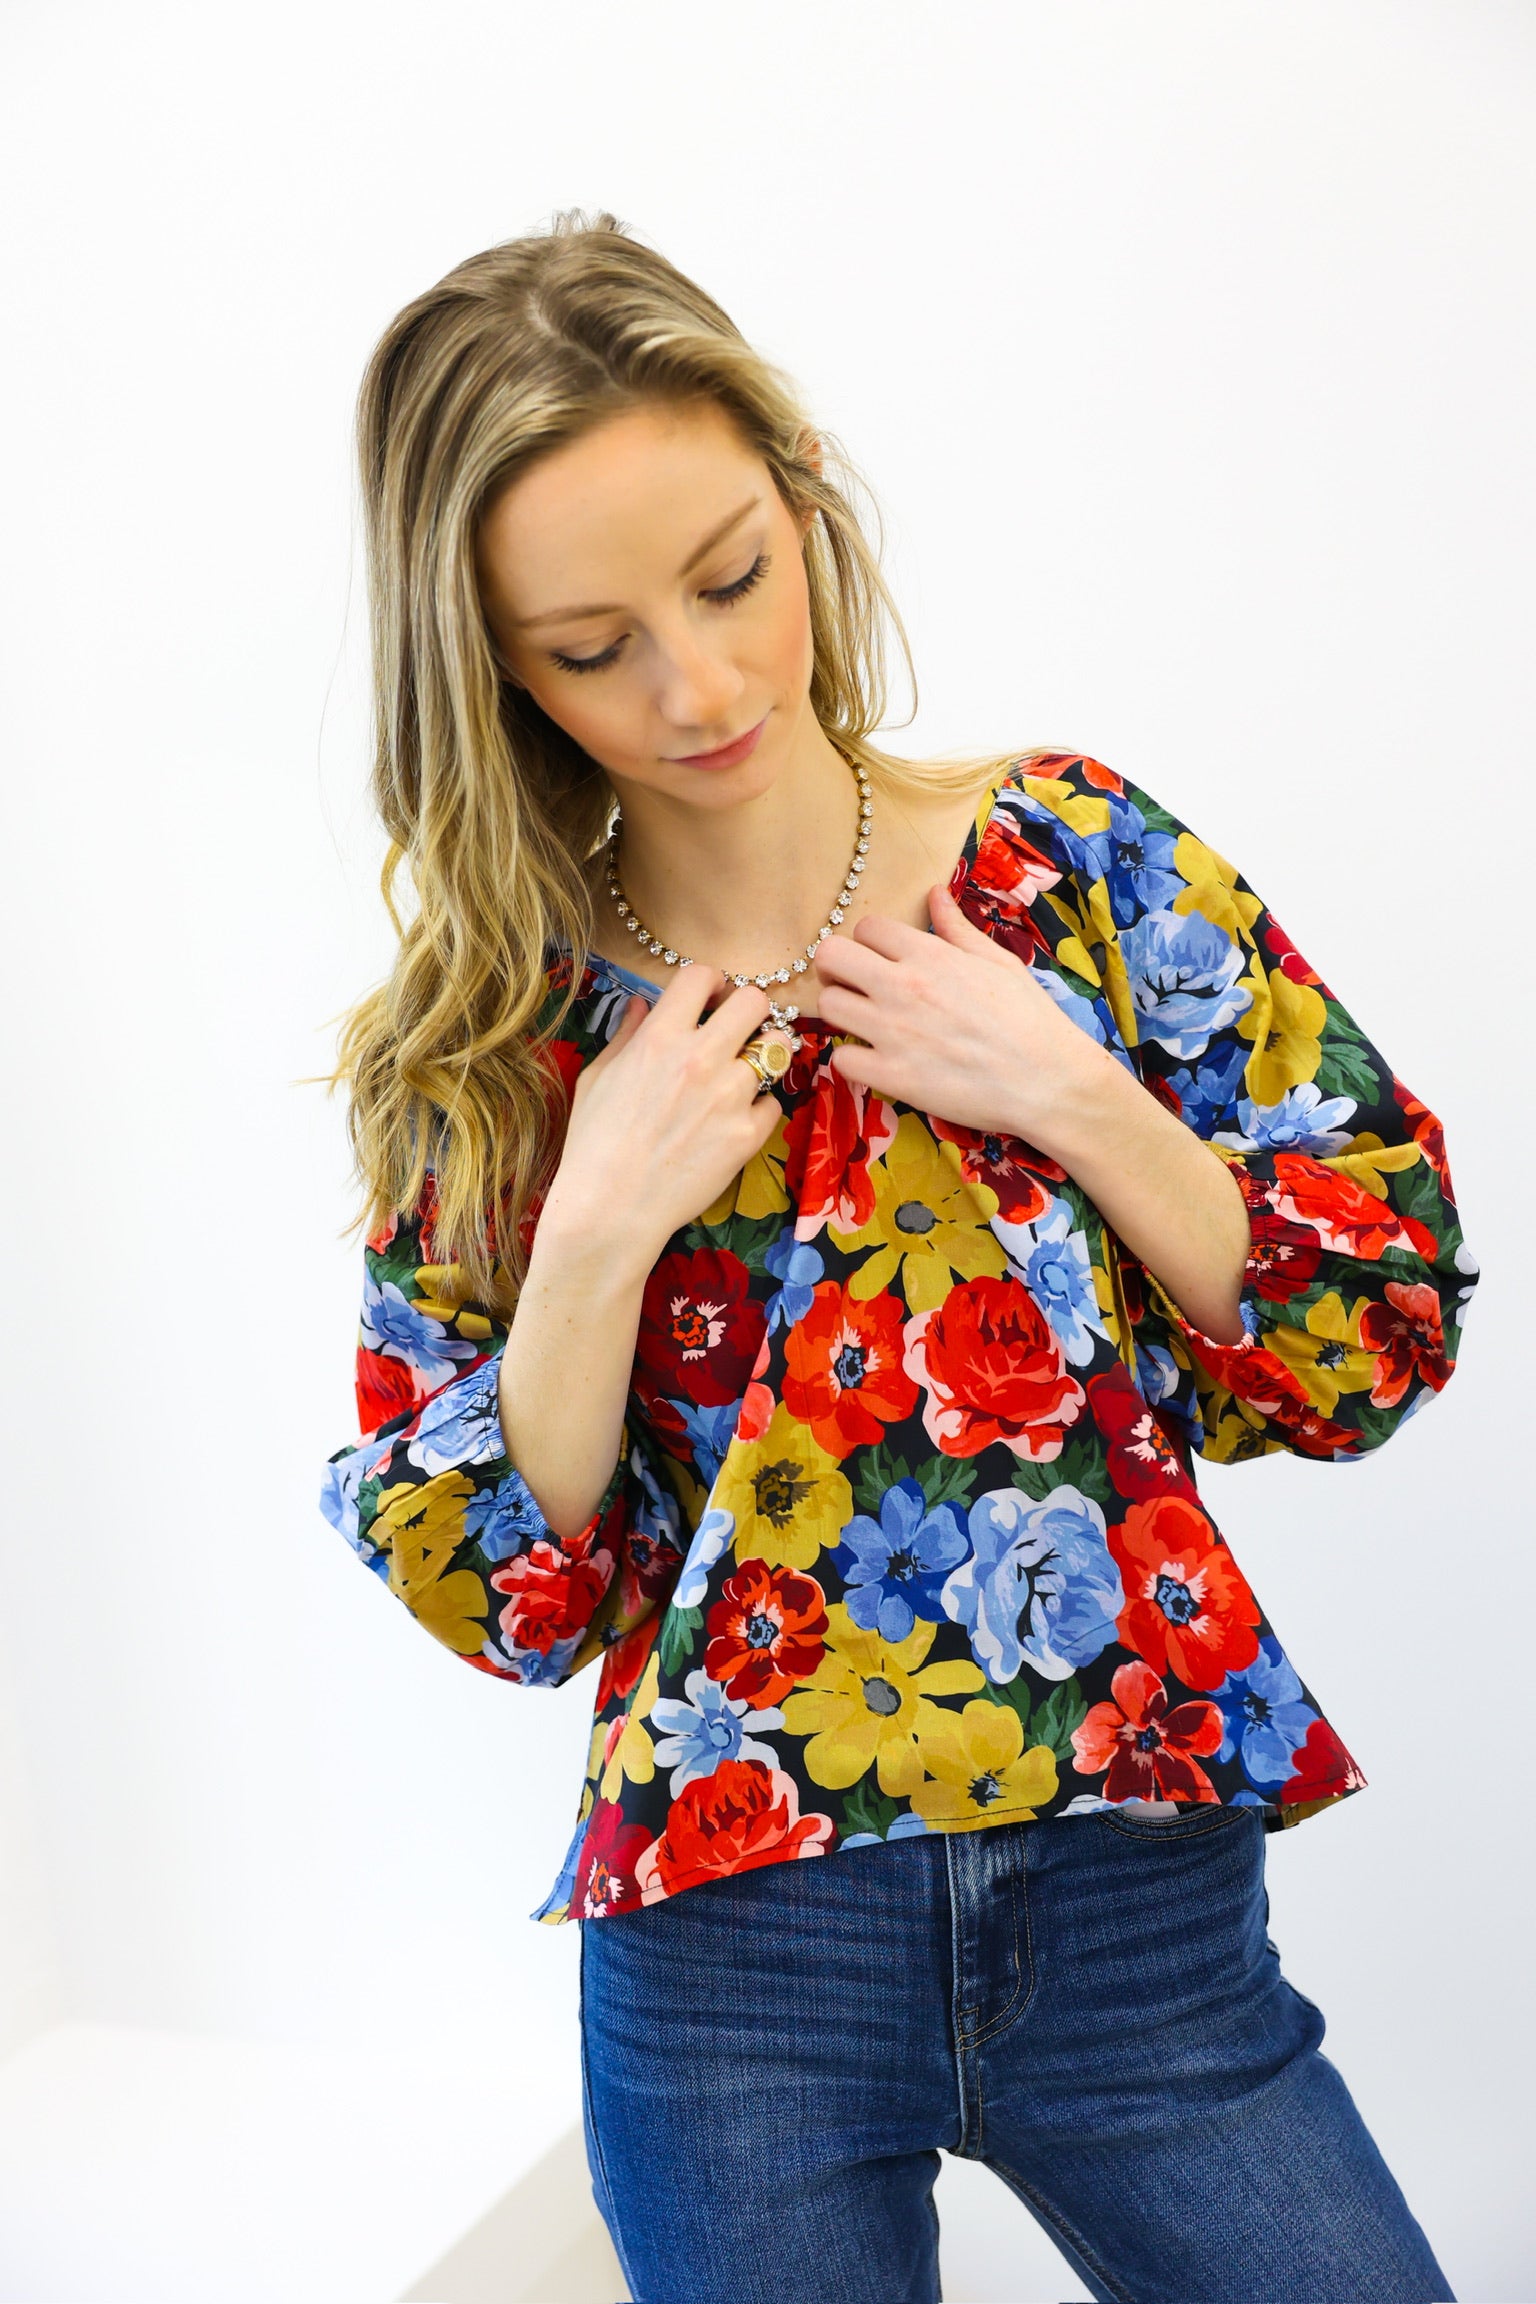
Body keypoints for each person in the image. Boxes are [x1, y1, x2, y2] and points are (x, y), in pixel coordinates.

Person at [320, 211, 1475, 2304]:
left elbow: (1367, 1326)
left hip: (1140, 1910)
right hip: (733, 1966)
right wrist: (593, 1226)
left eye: (731, 574)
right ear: (484, 660)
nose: (698, 683)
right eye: (590, 645)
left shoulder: (1074, 864)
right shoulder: (496, 1040)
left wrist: (1077, 1095)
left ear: (805, 500)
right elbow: (497, 1586)